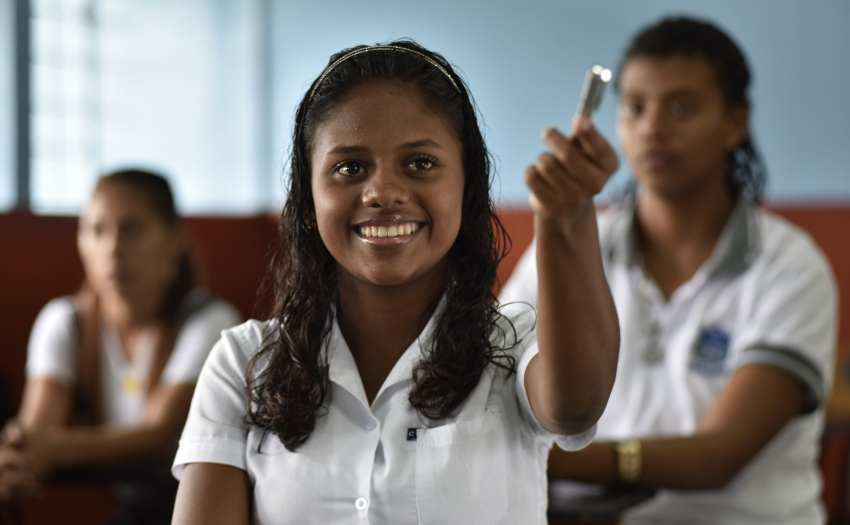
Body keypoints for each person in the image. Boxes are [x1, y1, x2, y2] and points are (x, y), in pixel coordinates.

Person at [170, 40, 621, 524]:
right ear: (308, 197)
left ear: (467, 187)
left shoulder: (512, 347)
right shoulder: (243, 362)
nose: (383, 192)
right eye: (350, 168)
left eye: (420, 163)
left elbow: (574, 408)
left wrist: (566, 218)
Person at [500, 17, 838, 524]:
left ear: (734, 122)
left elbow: (720, 455)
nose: (652, 127)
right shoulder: (574, 239)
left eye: (681, 107)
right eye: (635, 106)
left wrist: (543, 458)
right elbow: (499, 377)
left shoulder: (790, 266)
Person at [0, 170, 241, 524]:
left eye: (131, 230)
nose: (112, 248)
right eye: (96, 231)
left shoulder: (210, 321)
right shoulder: (62, 320)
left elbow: (155, 436)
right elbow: (38, 434)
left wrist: (52, 447)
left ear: (174, 241)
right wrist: (19, 459)